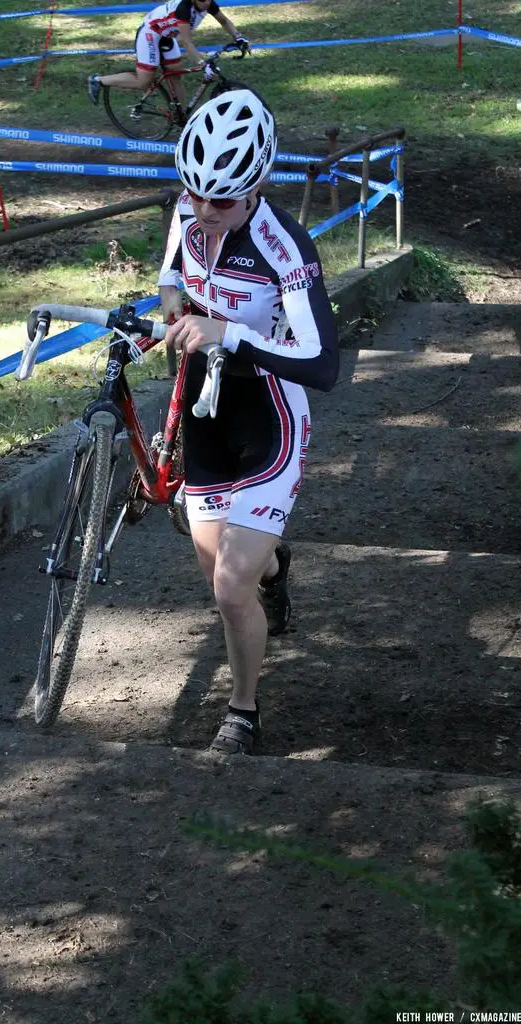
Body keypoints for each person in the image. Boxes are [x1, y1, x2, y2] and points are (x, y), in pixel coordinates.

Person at [158, 89, 339, 755]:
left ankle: (242, 712)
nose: (204, 212)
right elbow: (170, 275)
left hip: (271, 412)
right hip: (206, 409)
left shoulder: (283, 245)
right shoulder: (190, 205)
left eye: (222, 201)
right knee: (222, 575)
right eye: (195, 194)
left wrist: (227, 332)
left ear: (258, 184)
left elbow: (322, 363)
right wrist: (175, 304)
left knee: (230, 589)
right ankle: (274, 568)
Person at [88, 0, 250, 115]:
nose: (207, 3)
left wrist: (239, 37)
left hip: (167, 36)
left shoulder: (207, 3)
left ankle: (182, 118)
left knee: (176, 77)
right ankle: (99, 80)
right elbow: (186, 42)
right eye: (202, 0)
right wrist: (203, 64)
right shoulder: (184, 9)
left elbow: (223, 20)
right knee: (143, 81)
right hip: (150, 34)